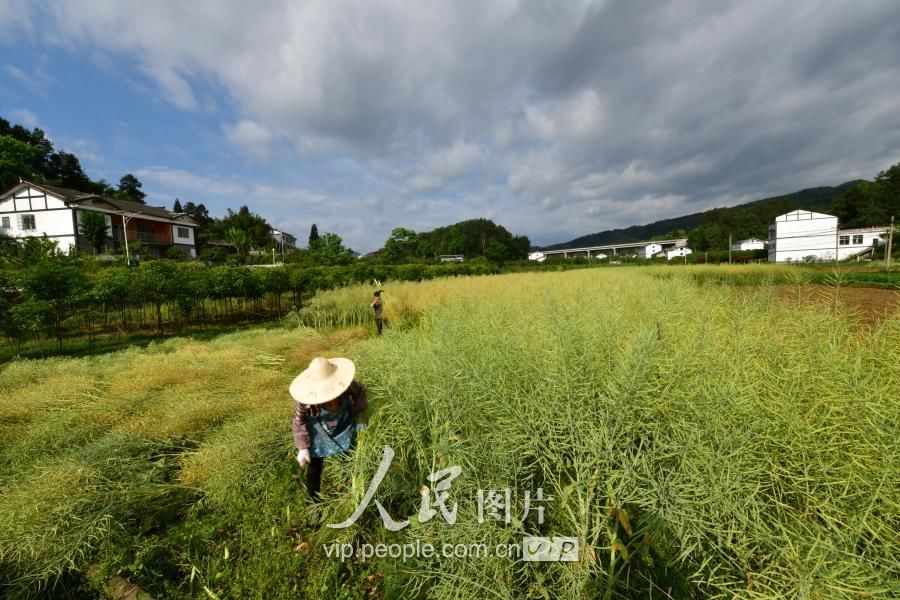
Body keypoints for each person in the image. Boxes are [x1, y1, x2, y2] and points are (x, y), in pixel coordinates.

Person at [290, 357, 368, 504]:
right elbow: (299, 421)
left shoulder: (346, 384)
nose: (331, 403)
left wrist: (361, 415)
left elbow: (360, 392)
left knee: (348, 456)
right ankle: (313, 501)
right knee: (314, 466)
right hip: (318, 433)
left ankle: (348, 484)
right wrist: (303, 448)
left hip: (344, 426)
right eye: (326, 400)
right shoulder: (305, 400)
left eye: (334, 397)